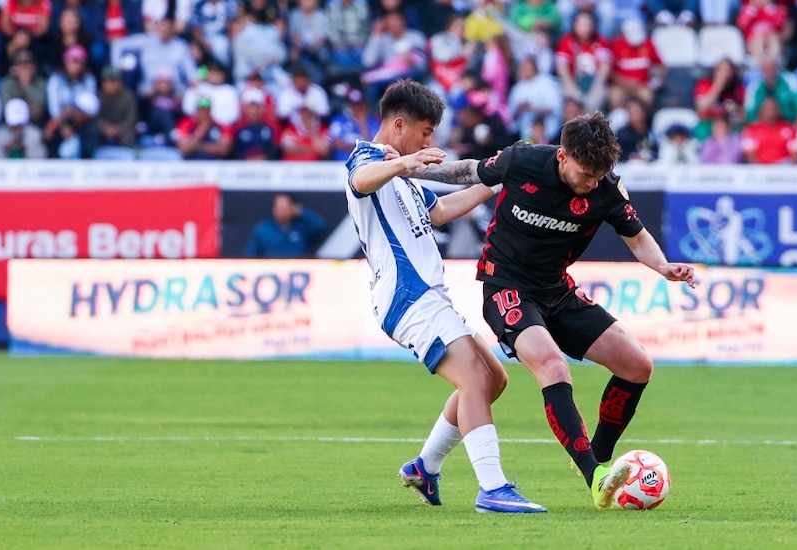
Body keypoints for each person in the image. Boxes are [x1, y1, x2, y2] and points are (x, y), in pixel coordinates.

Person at [405, 111, 695, 509]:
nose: (591, 183)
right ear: (562, 157)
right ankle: (595, 479)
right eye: (585, 173)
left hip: (557, 290)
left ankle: (597, 461)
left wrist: (663, 267)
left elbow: (638, 237)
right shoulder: (522, 161)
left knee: (637, 365)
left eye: (599, 175)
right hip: (506, 287)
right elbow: (469, 172)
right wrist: (408, 168)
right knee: (553, 366)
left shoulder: (606, 188)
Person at [344, 79, 546, 514]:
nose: (430, 141)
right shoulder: (368, 158)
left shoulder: (409, 178)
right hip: (407, 295)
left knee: (493, 380)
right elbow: (360, 181)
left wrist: (497, 180)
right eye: (425, 132)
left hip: (430, 295)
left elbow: (443, 210)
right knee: (474, 378)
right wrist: (407, 162)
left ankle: (425, 466)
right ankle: (492, 488)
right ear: (399, 125)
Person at [244, 193, 326, 257]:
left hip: (298, 269)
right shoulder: (263, 228)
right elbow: (251, 254)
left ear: (293, 208)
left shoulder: (302, 226)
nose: (281, 211)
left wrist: (301, 212)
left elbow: (320, 225)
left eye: (284, 207)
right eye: (278, 207)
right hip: (271, 269)